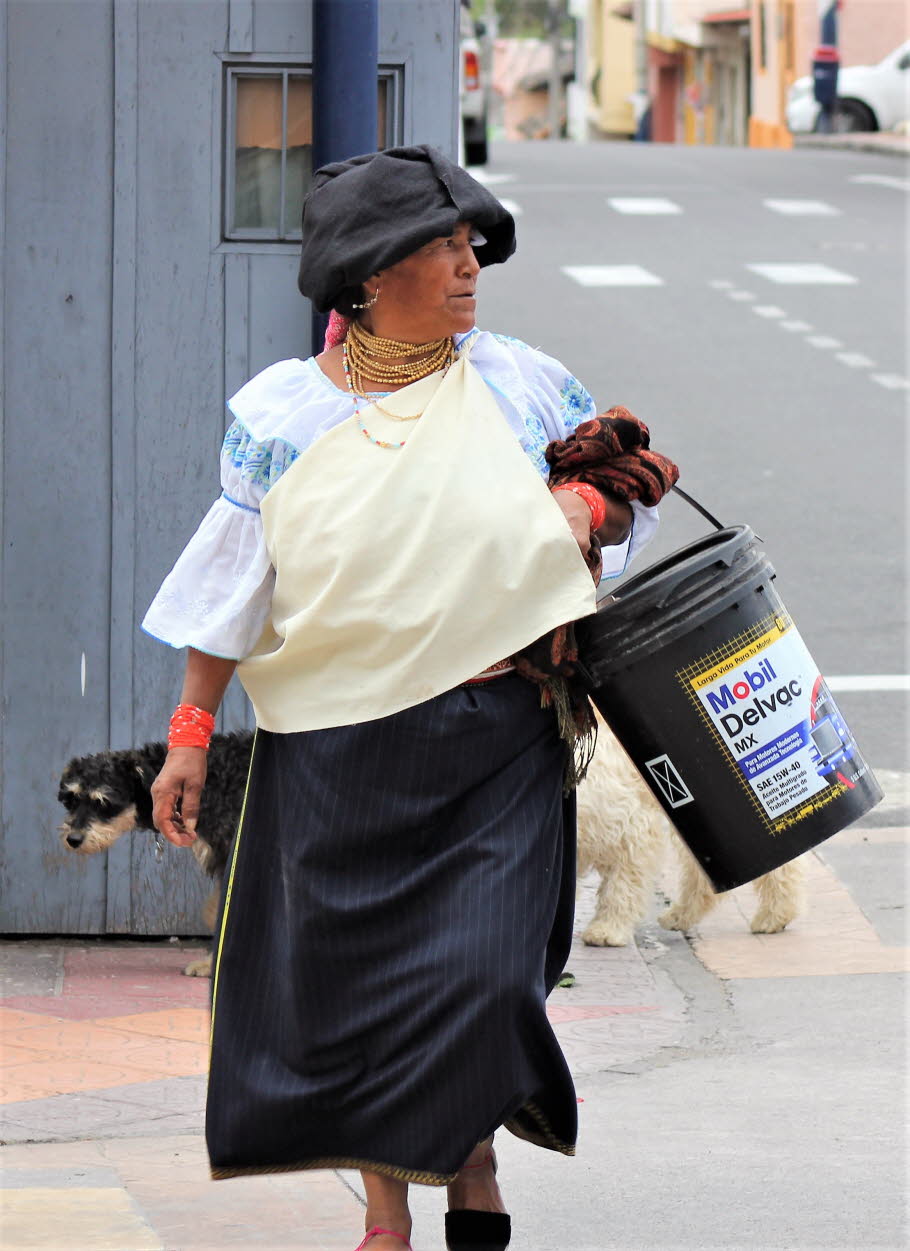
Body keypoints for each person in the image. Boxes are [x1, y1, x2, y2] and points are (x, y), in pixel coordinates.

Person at [144, 145, 675, 1251]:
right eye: (439, 246)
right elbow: (231, 590)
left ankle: (470, 1151)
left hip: (494, 744)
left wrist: (586, 505)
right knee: (355, 998)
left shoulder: (519, 382)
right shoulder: (288, 419)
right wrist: (190, 733)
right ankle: (390, 1214)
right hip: (337, 759)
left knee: (482, 982)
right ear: (367, 276)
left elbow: (628, 493)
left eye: (467, 241)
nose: (466, 262)